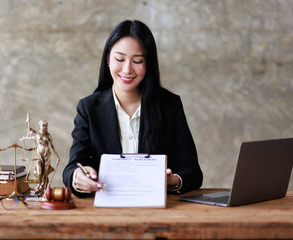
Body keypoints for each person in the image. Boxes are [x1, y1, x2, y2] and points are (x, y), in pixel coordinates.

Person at [62, 20, 202, 198]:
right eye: (119, 59)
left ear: (148, 64)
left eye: (137, 61)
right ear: (107, 60)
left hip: (158, 211)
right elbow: (71, 168)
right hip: (106, 210)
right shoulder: (89, 108)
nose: (127, 69)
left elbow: (193, 173)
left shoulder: (169, 105)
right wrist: (78, 177)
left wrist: (173, 181)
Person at [28, 120, 60, 196]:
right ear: (40, 125)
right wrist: (27, 121)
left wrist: (57, 157)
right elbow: (29, 128)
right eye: (42, 125)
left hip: (46, 155)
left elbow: (52, 147)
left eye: (45, 125)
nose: (44, 127)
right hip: (39, 154)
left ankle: (43, 188)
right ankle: (39, 185)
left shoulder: (48, 136)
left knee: (45, 173)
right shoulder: (37, 133)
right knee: (39, 171)